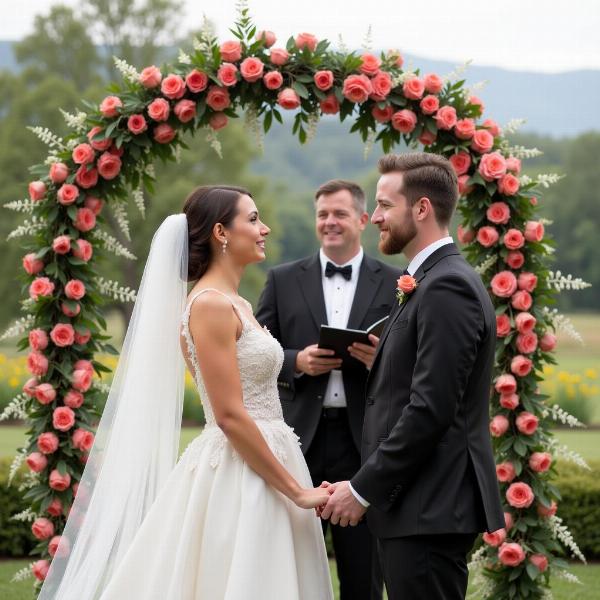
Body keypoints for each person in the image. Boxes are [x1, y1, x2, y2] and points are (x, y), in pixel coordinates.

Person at [38, 186, 333, 600]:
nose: (263, 228)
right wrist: (298, 491)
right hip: (240, 469)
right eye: (252, 219)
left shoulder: (239, 303)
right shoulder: (211, 305)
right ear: (221, 232)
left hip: (273, 453)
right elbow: (229, 415)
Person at [321, 153, 505, 600]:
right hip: (412, 506)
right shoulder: (426, 280)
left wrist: (362, 489)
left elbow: (430, 409)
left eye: (384, 205)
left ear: (421, 209)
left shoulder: (447, 286)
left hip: (430, 507)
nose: (376, 217)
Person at [256, 180, 401, 600]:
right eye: (322, 214)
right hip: (297, 440)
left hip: (363, 442)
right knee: (289, 565)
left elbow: (412, 359)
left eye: (339, 214)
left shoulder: (396, 282)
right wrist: (295, 361)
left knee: (364, 572)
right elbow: (255, 347)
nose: (329, 222)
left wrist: (382, 361)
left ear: (361, 219)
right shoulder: (282, 279)